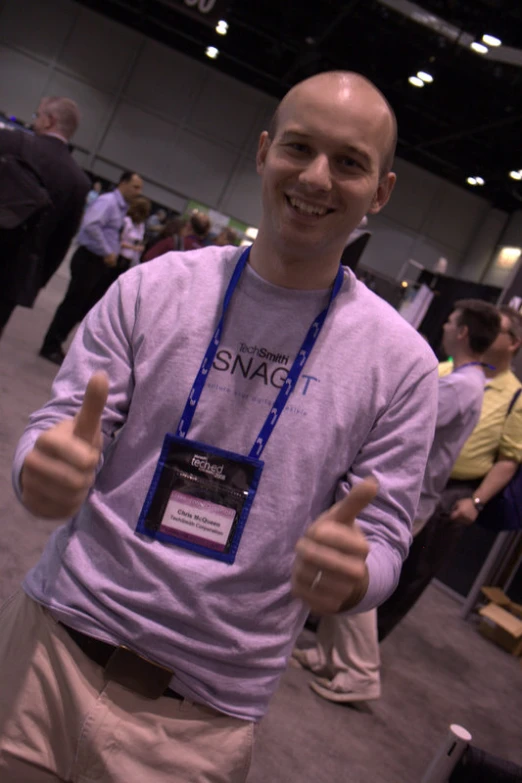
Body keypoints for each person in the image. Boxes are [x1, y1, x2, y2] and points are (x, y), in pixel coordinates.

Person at [1, 71, 439, 783]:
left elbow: (384, 536)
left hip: (203, 719)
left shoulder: (402, 366)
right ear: (265, 152)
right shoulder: (153, 289)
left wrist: (358, 575)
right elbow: (58, 426)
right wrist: (39, 467)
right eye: (299, 147)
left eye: (351, 162)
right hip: (48, 650)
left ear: (381, 191)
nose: (318, 177)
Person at [291, 299, 501, 703]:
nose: (444, 325)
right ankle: (329, 654)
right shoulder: (468, 381)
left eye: (451, 321)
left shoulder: (460, 385)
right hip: (412, 489)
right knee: (345, 565)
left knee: (354, 572)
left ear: (461, 333)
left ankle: (361, 672)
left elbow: (400, 418)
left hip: (408, 493)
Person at [378, 304, 522, 641]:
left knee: (414, 570)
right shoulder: (450, 370)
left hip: (453, 489)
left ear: (512, 343)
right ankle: (334, 632)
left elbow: (508, 459)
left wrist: (476, 500)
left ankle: (367, 645)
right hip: (410, 475)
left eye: (495, 328)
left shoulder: (514, 395)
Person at [0, 97, 90, 337]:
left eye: (37, 115)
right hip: (14, 274)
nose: (35, 121)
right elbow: (60, 243)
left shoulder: (10, 141)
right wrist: (36, 280)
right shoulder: (78, 182)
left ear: (50, 120)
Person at [38, 171, 143, 365]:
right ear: (123, 183)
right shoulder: (109, 202)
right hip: (89, 258)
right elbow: (91, 225)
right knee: (73, 303)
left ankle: (59, 341)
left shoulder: (120, 207)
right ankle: (50, 345)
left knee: (83, 305)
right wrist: (107, 251)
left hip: (98, 262)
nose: (138, 192)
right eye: (135, 187)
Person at [118, 196, 151, 270]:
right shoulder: (126, 221)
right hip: (119, 256)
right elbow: (119, 241)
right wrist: (134, 247)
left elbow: (140, 239)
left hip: (131, 260)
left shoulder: (141, 225)